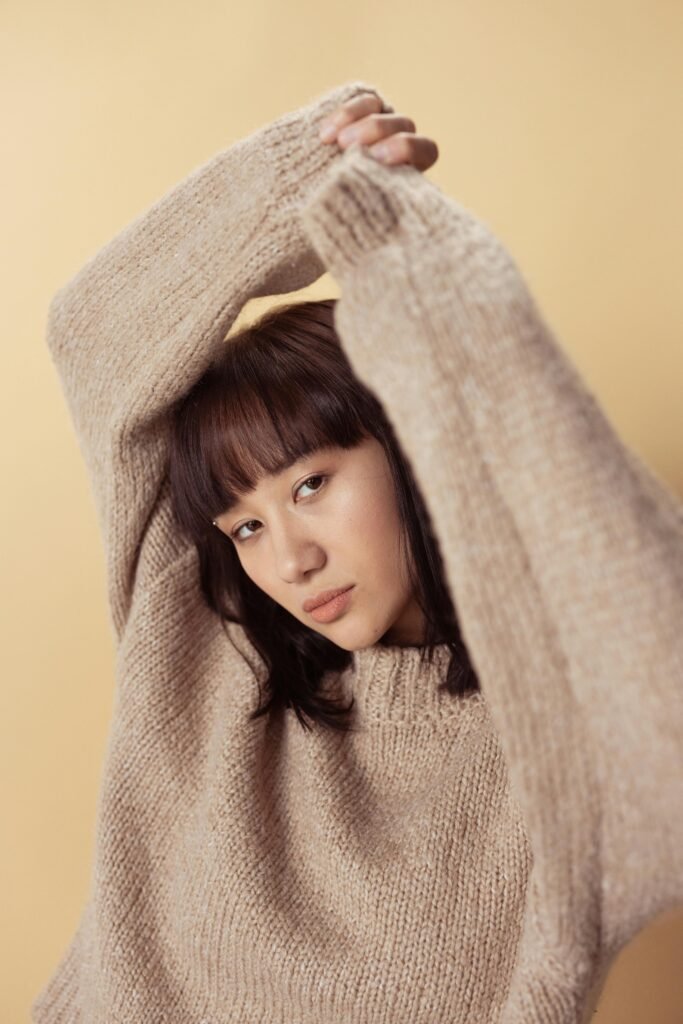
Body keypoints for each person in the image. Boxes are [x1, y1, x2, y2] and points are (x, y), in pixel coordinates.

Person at [32, 80, 683, 1024]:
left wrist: (436, 279)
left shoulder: (566, 741)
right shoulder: (200, 631)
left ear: (413, 438)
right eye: (245, 524)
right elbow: (93, 335)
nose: (287, 558)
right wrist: (302, 169)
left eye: (310, 485)